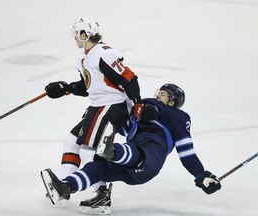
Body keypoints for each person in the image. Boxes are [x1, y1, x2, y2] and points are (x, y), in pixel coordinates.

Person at [41, 83, 222, 214]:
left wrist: (201, 174)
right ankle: (66, 188)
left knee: (132, 152)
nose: (158, 94)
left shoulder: (178, 116)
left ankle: (111, 151)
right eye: (159, 91)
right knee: (98, 167)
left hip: (152, 154)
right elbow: (125, 122)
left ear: (173, 102)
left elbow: (186, 152)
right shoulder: (141, 107)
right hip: (135, 168)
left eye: (164, 94)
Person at [44, 16, 151, 210]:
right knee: (71, 140)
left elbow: (129, 79)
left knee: (88, 148)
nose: (75, 38)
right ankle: (62, 189)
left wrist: (137, 104)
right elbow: (88, 87)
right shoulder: (84, 56)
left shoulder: (103, 54)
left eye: (77, 34)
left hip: (113, 106)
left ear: (85, 35)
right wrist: (66, 87)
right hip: (99, 106)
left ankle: (101, 195)